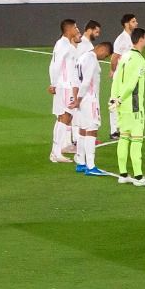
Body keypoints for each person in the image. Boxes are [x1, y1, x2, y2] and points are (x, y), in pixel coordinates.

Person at [108, 27, 145, 186]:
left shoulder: (125, 55)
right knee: (136, 141)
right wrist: (120, 99)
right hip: (133, 105)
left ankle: (122, 174)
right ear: (141, 39)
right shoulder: (139, 59)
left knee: (123, 138)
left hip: (121, 106)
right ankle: (139, 177)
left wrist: (113, 98)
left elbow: (115, 78)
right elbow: (132, 83)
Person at [70, 34, 112, 175]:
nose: (104, 58)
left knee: (82, 129)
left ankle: (81, 163)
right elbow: (86, 82)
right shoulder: (92, 59)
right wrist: (79, 99)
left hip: (81, 100)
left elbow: (75, 81)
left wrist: (76, 99)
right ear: (102, 49)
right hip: (89, 99)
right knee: (92, 129)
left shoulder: (81, 58)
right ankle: (91, 166)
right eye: (106, 55)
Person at [48, 18, 81, 163]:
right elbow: (55, 65)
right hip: (65, 85)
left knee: (64, 117)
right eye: (75, 27)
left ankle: (56, 152)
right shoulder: (63, 44)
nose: (76, 29)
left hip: (65, 85)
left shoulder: (65, 44)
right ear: (69, 29)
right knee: (65, 117)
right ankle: (56, 152)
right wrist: (54, 83)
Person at [108, 13, 138, 140]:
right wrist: (113, 71)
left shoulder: (132, 38)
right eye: (133, 21)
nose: (136, 23)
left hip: (129, 76)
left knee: (128, 102)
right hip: (121, 76)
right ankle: (114, 130)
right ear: (126, 24)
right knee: (115, 101)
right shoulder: (121, 39)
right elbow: (114, 57)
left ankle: (125, 128)